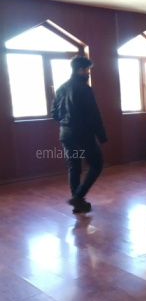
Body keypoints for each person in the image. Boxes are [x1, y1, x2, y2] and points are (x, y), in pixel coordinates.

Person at [51, 56, 107, 213]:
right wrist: (102, 136)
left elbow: (54, 113)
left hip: (65, 134)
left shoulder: (61, 88)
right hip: (83, 134)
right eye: (87, 69)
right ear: (80, 70)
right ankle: (78, 197)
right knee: (96, 164)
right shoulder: (84, 89)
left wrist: (67, 122)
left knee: (74, 166)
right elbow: (94, 115)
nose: (88, 72)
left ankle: (78, 203)